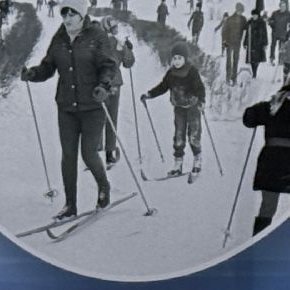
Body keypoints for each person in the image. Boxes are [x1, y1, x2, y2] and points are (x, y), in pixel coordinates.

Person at [21, 0, 119, 221]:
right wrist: (34, 74)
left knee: (88, 153)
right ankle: (70, 204)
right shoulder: (59, 38)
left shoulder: (97, 36)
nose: (66, 19)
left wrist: (103, 86)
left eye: (71, 15)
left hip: (93, 105)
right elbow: (48, 66)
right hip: (66, 106)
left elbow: (109, 65)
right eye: (64, 15)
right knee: (68, 155)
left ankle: (104, 187)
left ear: (82, 15)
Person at [143, 40, 207, 178]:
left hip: (193, 108)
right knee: (179, 137)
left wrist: (202, 101)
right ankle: (178, 164)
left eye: (179, 58)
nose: (177, 61)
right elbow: (163, 87)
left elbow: (200, 88)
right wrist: (150, 94)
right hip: (179, 109)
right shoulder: (171, 73)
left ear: (185, 58)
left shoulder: (191, 71)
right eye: (174, 58)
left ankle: (197, 161)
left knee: (193, 136)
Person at [242, 67, 290, 232]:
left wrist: (254, 112)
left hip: (272, 160)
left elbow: (248, 119)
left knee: (268, 206)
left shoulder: (273, 105)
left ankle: (258, 240)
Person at [102, 21, 135, 165]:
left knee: (96, 116)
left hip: (98, 84)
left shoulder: (95, 42)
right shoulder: (118, 43)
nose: (116, 29)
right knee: (111, 116)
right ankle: (109, 153)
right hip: (114, 83)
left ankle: (94, 152)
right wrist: (128, 49)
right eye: (115, 27)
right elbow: (129, 62)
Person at [222, 2, 249, 85]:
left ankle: (234, 79)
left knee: (236, 61)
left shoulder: (243, 19)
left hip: (237, 43)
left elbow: (247, 28)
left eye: (241, 11)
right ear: (236, 10)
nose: (240, 13)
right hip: (229, 43)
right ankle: (227, 78)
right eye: (239, 11)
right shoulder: (229, 19)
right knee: (229, 61)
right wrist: (224, 43)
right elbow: (224, 32)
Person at [248, 4, 271, 78]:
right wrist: (245, 43)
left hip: (259, 43)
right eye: (253, 15)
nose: (254, 16)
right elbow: (247, 34)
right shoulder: (250, 22)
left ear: (258, 16)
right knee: (251, 59)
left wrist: (265, 43)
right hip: (251, 43)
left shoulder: (262, 23)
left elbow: (265, 34)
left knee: (257, 59)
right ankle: (254, 71)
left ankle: (255, 72)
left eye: (255, 15)